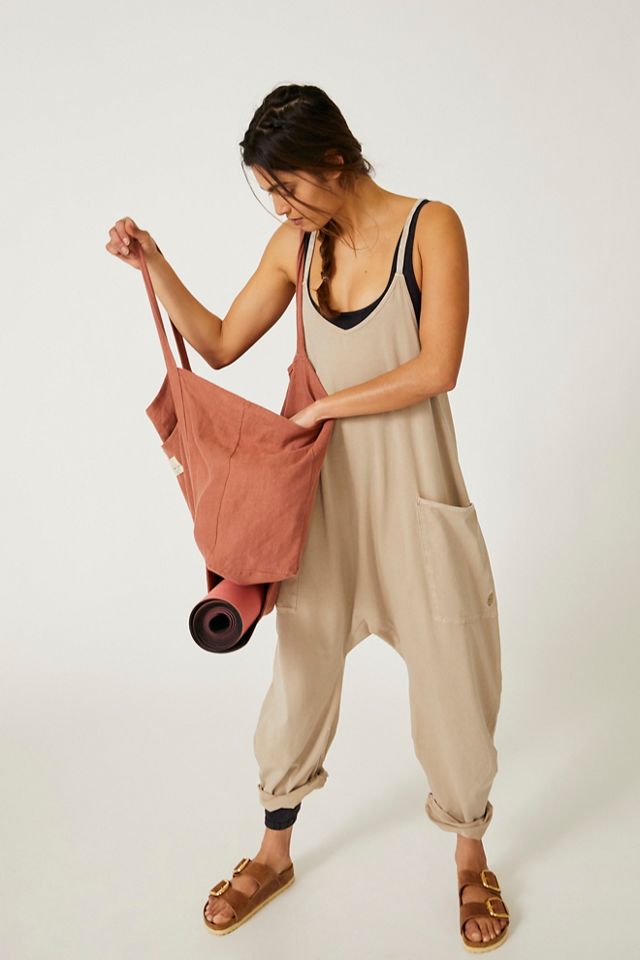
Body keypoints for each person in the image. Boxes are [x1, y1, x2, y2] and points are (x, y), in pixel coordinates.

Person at [105, 83, 510, 950]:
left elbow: (438, 367)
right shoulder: (296, 245)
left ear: (335, 158)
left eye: (287, 186)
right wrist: (156, 264)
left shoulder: (430, 228)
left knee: (455, 681)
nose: (281, 206)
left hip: (416, 500)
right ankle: (273, 852)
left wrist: (324, 408)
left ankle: (470, 856)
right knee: (298, 680)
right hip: (320, 508)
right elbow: (219, 342)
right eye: (269, 192)